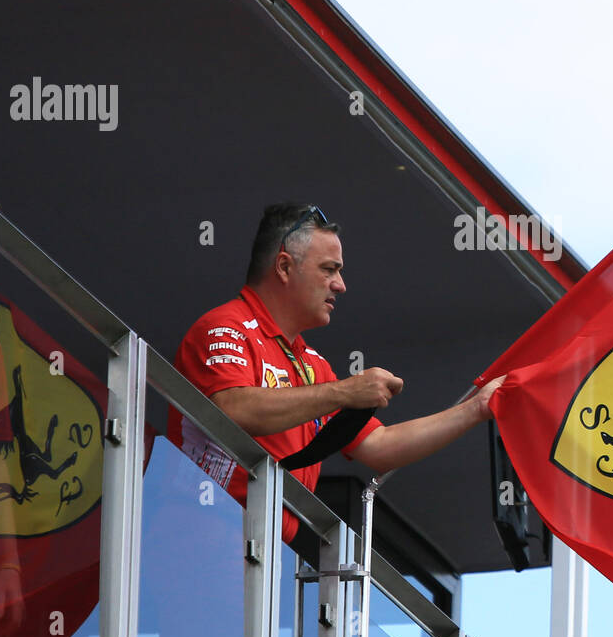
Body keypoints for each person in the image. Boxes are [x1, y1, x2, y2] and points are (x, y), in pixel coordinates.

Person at [171, 203, 505, 543]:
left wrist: (475, 409)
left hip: (260, 551)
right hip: (196, 533)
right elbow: (233, 409)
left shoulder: (312, 364)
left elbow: (380, 446)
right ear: (284, 267)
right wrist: (345, 392)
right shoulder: (225, 327)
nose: (341, 285)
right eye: (329, 269)